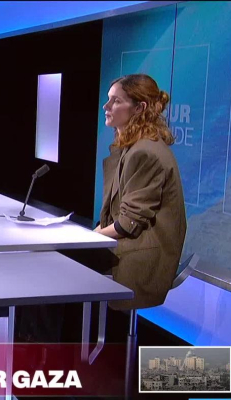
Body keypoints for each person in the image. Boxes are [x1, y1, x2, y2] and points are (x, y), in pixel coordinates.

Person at [96, 73, 186, 311]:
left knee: (59, 266)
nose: (106, 106)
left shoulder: (144, 152)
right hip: (128, 247)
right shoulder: (134, 147)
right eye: (108, 99)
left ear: (139, 108)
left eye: (116, 101)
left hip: (140, 257)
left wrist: (88, 239)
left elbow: (128, 224)